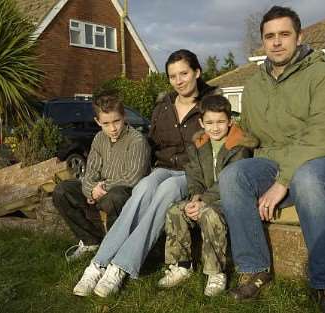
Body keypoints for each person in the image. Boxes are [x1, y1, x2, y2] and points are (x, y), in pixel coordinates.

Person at [218, 6, 325, 313]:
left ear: (299, 37)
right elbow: (257, 135)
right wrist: (234, 135)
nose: (277, 42)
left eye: (284, 34)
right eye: (269, 36)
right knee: (233, 176)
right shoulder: (255, 85)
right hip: (278, 163)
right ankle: (255, 269)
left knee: (308, 177)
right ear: (263, 42)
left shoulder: (323, 74)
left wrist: (282, 182)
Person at [73, 49, 221, 298]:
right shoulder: (163, 106)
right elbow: (152, 144)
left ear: (197, 72)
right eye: (173, 76)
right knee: (144, 188)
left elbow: (219, 145)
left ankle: (120, 266)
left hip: (191, 173)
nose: (179, 80)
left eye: (184, 73)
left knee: (167, 190)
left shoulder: (210, 107)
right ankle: (97, 264)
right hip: (162, 168)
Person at [157, 94, 257, 296]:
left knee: (209, 214)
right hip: (203, 197)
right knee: (176, 210)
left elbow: (229, 180)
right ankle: (182, 265)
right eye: (209, 122)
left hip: (229, 200)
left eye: (221, 121)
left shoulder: (239, 146)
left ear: (230, 121)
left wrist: (204, 201)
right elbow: (193, 173)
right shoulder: (199, 143)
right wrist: (195, 197)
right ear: (201, 122)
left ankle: (216, 272)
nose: (215, 127)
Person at [52, 90, 150, 261]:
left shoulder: (137, 140)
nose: (112, 128)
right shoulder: (98, 139)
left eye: (116, 121)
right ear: (98, 121)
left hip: (124, 195)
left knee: (116, 195)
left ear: (124, 116)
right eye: (106, 123)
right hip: (99, 194)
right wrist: (91, 191)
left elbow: (132, 178)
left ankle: (114, 252)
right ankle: (90, 241)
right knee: (61, 191)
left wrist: (102, 187)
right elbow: (89, 174)